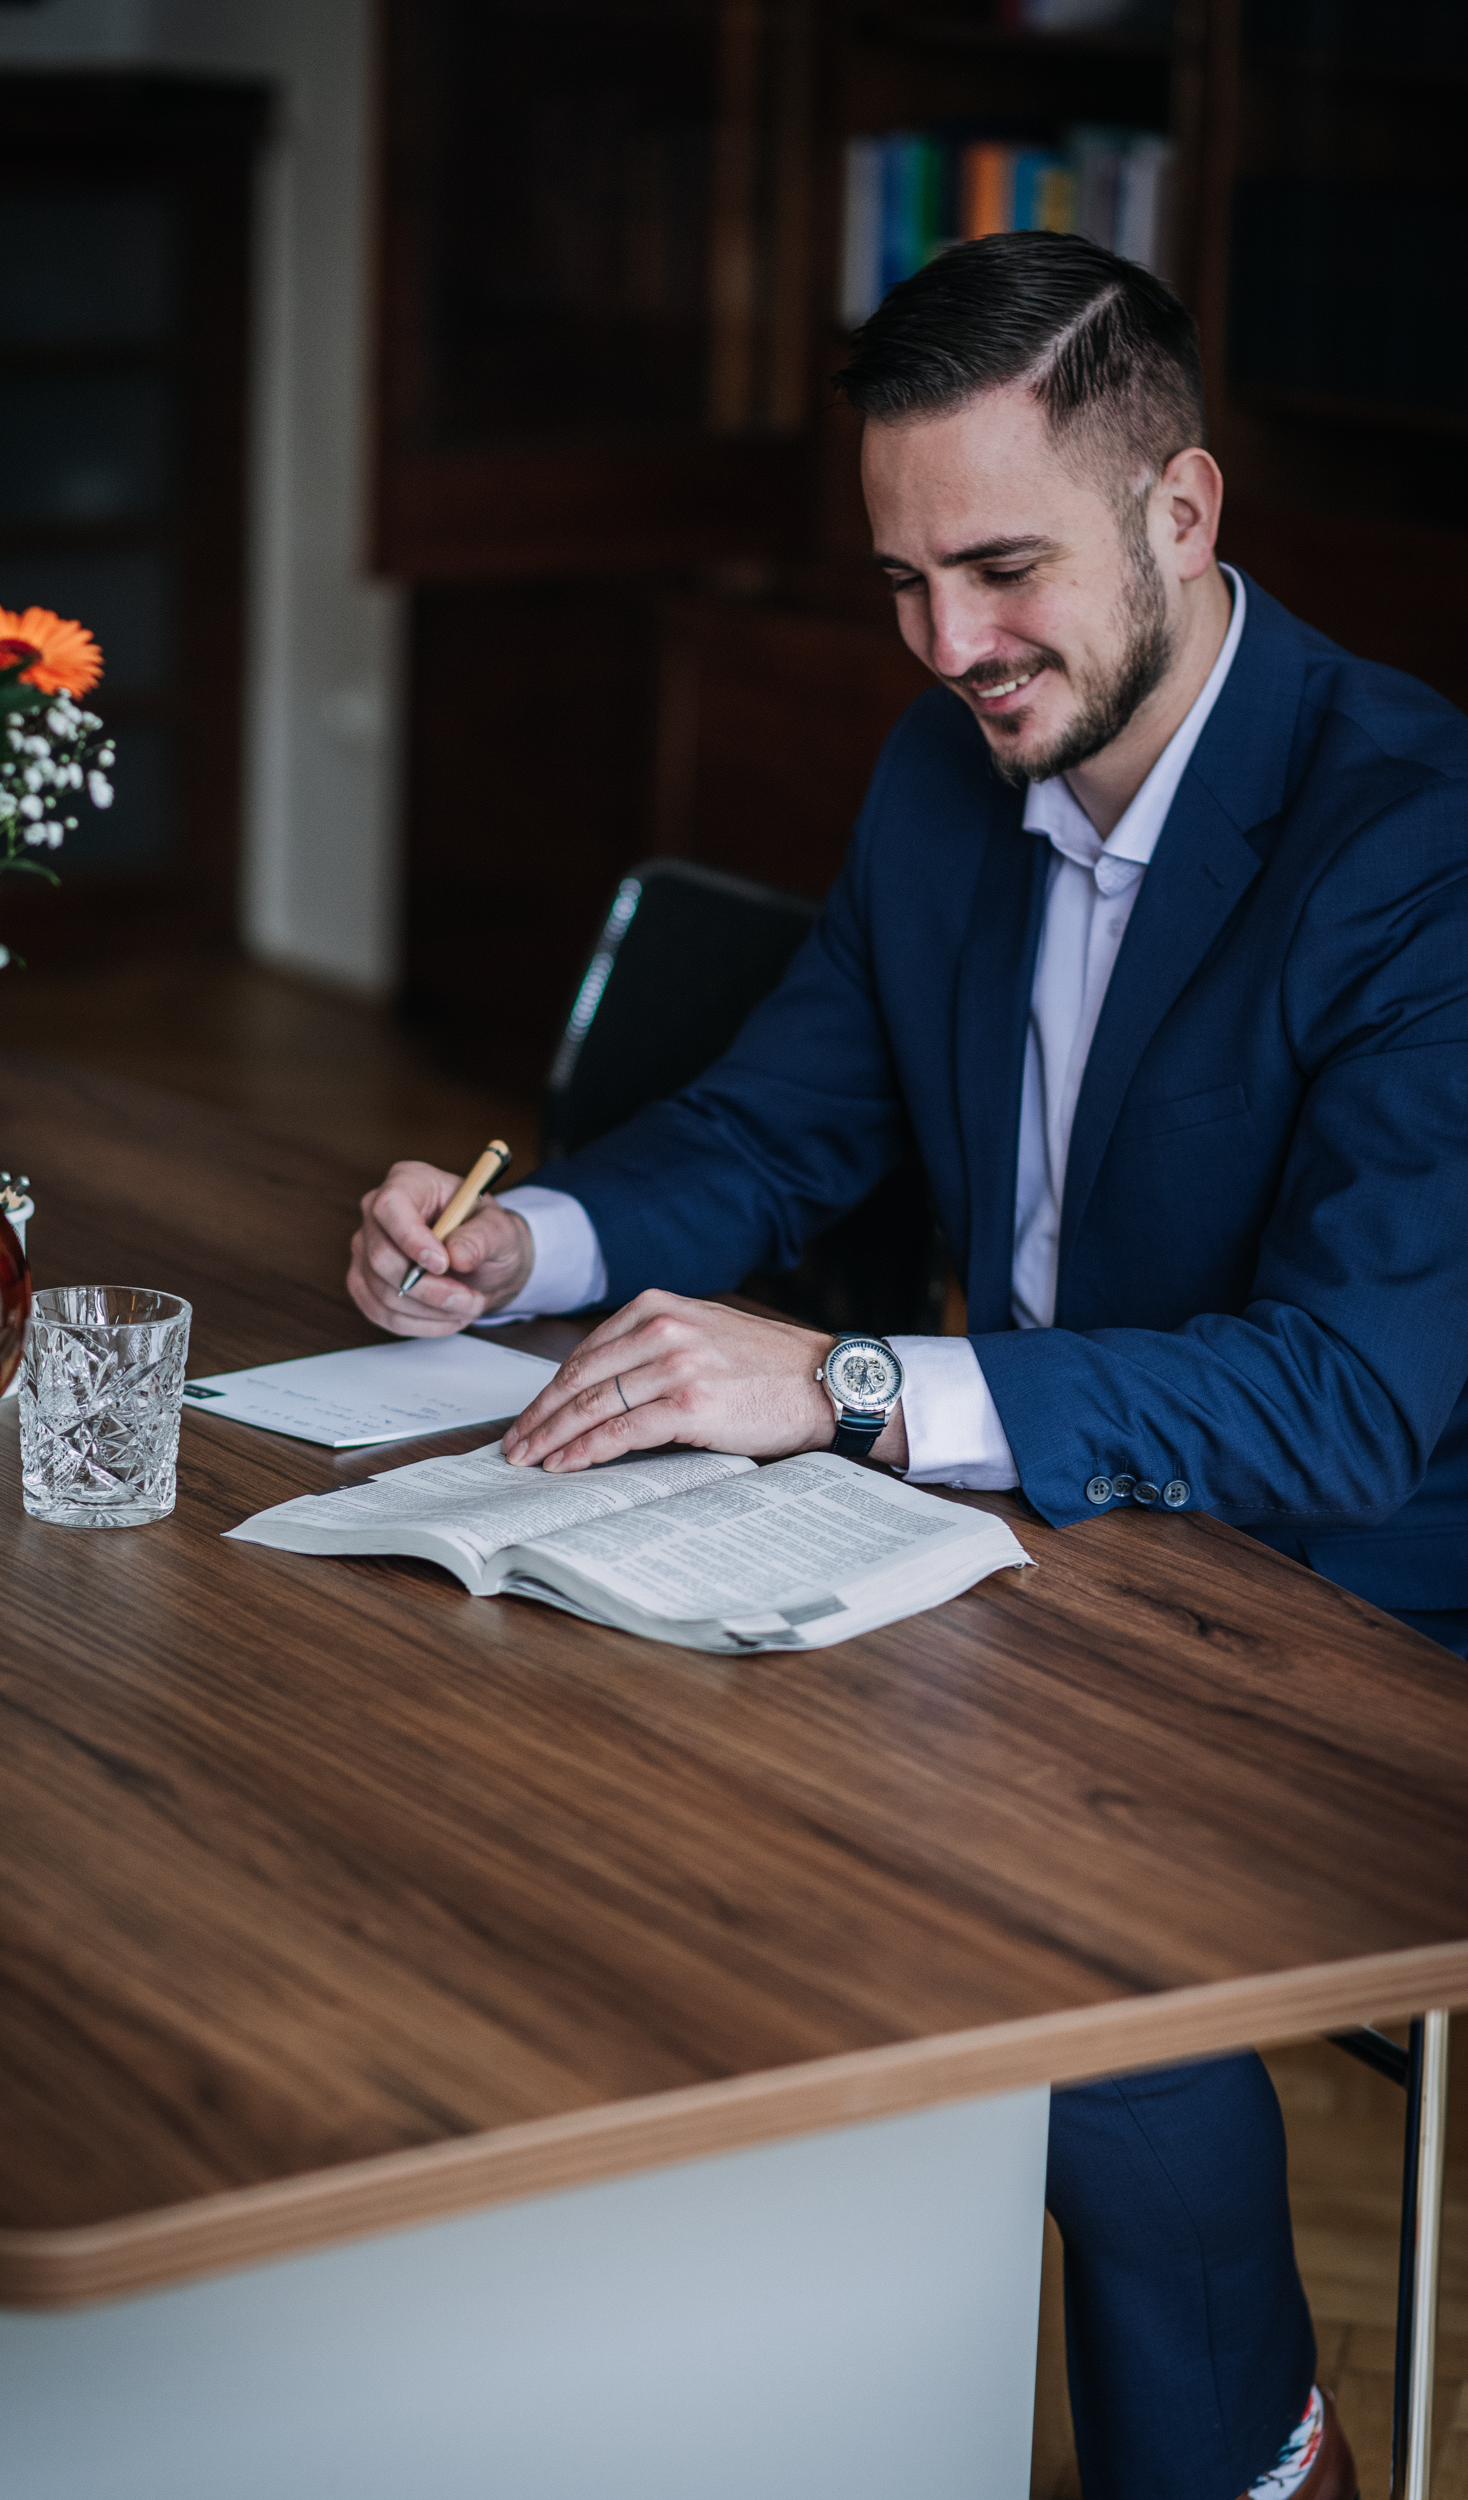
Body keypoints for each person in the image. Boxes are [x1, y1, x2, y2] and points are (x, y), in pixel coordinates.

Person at [348, 231, 1468, 2499]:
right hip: (1022, 1531)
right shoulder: (944, 768)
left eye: (994, 567)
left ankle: (1254, 2466)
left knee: (1055, 1970)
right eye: (898, 579)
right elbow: (786, 1123)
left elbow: (1351, 1396)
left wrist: (855, 1385)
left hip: (1358, 1593)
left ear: (1183, 512)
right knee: (575, 1752)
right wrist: (516, 1243)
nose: (946, 646)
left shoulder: (1414, 840)